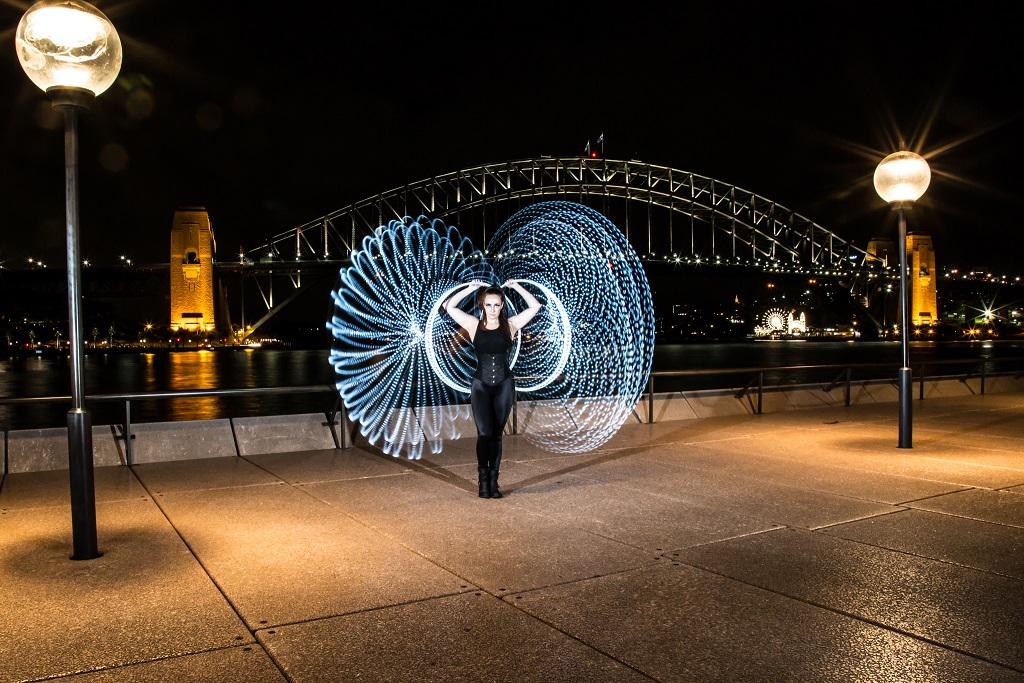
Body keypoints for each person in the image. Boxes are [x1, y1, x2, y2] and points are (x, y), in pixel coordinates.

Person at [445, 279, 542, 498]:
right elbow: (450, 307)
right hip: (480, 386)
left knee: (497, 435)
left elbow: (535, 306)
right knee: (484, 433)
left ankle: (494, 482)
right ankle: (482, 480)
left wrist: (516, 287)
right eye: (488, 305)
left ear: (502, 306)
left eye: (496, 305)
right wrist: (469, 289)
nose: (492, 309)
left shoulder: (510, 325)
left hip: (504, 386)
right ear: (482, 306)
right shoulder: (473, 325)